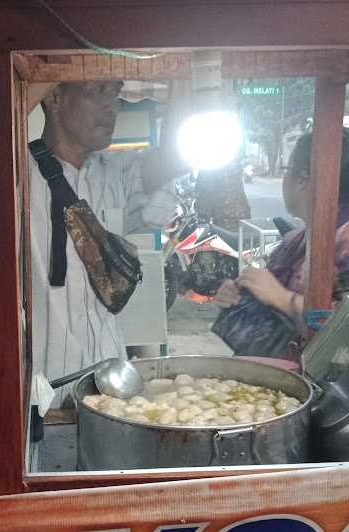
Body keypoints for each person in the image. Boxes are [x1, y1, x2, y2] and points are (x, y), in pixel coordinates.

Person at [29, 80, 187, 405]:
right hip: (41, 389)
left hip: (111, 383)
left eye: (114, 93)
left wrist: (184, 77)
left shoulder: (117, 172)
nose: (112, 106)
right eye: (96, 91)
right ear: (55, 96)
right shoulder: (15, 172)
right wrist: (41, 77)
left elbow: (175, 158)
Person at [215, 129, 349, 350]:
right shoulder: (295, 240)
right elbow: (264, 297)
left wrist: (284, 300)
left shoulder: (344, 240)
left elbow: (343, 328)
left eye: (287, 170)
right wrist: (236, 295)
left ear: (302, 181)